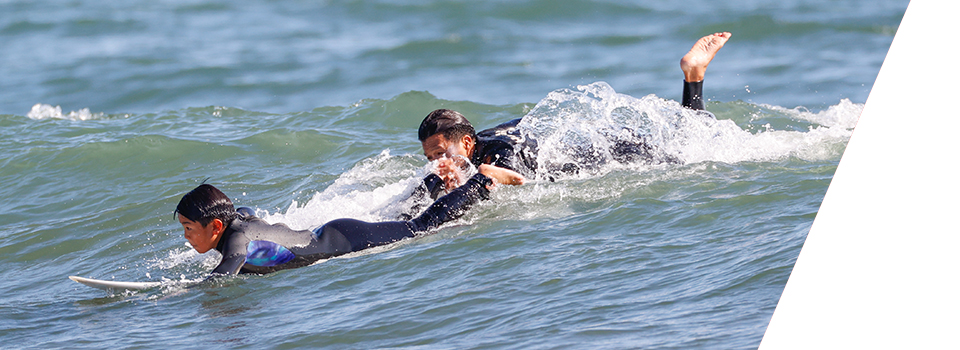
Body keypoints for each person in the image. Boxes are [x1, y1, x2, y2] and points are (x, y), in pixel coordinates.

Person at [417, 32, 732, 189]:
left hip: (621, 155)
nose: (438, 164)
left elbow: (519, 184)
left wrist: (478, 179)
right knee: (688, 137)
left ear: (468, 144)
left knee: (695, 146)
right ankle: (693, 74)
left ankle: (694, 74)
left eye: (442, 153)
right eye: (432, 158)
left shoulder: (495, 154)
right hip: (603, 142)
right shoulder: (478, 145)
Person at [176, 170, 511, 275]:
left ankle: (480, 182)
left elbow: (222, 279)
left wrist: (172, 295)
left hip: (348, 240)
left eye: (189, 228)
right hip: (338, 230)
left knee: (420, 227)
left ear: (215, 227)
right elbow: (244, 209)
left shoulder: (236, 243)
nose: (187, 237)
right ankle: (435, 180)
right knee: (402, 220)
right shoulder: (239, 221)